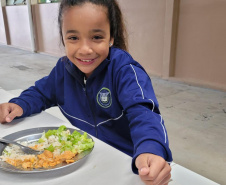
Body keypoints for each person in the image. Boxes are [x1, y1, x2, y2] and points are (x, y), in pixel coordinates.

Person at [0, 0, 173, 184]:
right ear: (63, 38)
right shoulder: (63, 69)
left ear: (111, 37)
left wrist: (150, 148)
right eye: (73, 38)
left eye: (97, 37)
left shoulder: (125, 71)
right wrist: (19, 104)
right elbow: (41, 93)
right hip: (88, 161)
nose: (84, 49)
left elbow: (144, 113)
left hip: (130, 164)